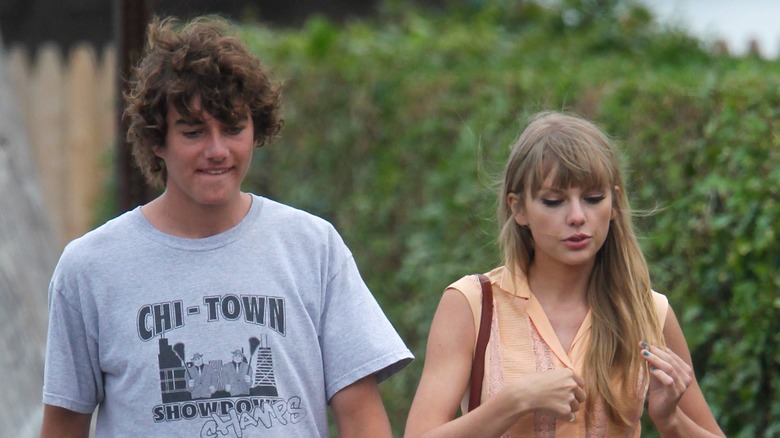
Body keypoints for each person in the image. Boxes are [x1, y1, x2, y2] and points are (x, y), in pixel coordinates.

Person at [41, 15, 412, 437]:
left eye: (233, 128)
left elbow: (363, 419)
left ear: (257, 130)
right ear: (157, 140)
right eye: (194, 132)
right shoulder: (89, 268)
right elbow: (62, 428)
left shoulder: (312, 247)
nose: (217, 150)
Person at [404, 111, 724, 437]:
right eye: (553, 201)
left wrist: (671, 421)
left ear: (614, 204)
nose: (576, 216)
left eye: (593, 198)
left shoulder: (648, 312)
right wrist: (514, 401)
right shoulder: (473, 303)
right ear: (518, 208)